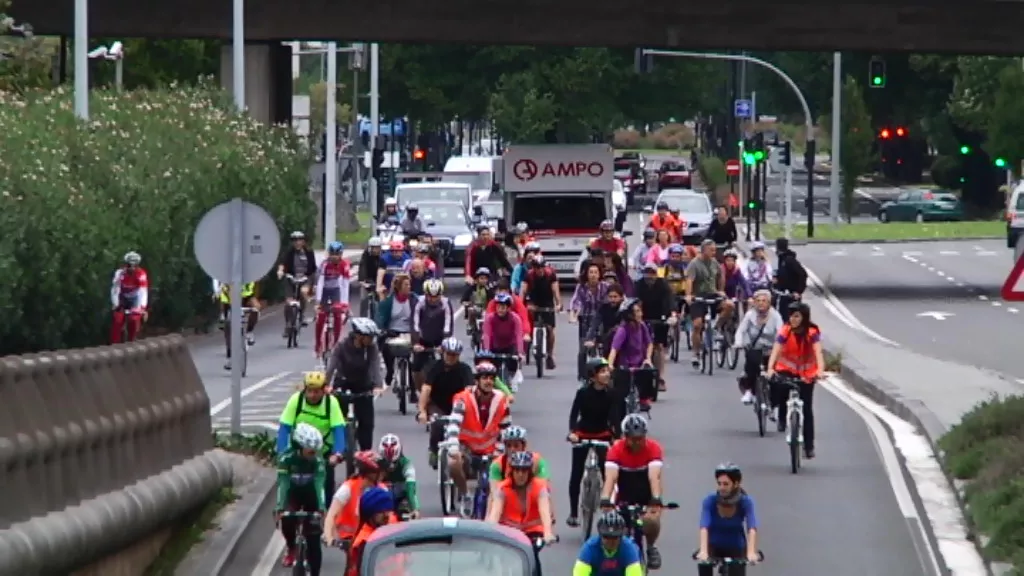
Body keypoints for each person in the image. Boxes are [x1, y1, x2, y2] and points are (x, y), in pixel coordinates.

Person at [601, 414, 664, 570]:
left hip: (645, 496)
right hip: (623, 496)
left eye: (640, 438)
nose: (637, 443)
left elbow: (654, 477)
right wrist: (605, 499)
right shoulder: (615, 450)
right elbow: (610, 478)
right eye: (633, 439)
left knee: (651, 521)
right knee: (613, 527)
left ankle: (651, 546)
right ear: (625, 437)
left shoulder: (654, 448)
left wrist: (656, 499)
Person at [446, 361, 512, 511]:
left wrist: (499, 451)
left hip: (491, 449)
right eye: (484, 378)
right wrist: (454, 447)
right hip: (467, 448)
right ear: (477, 380)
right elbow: (454, 424)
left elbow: (506, 429)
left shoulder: (501, 400)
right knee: (453, 463)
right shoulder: (463, 398)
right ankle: (465, 495)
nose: (488, 381)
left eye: (491, 378)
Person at [277, 370, 347, 506]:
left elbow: (339, 430)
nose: (312, 395)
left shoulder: (331, 403)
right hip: (299, 451)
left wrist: (337, 454)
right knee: (287, 482)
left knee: (327, 485)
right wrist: (281, 452)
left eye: (316, 391)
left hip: (323, 453)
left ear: (324, 390)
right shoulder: (296, 400)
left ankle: (326, 512)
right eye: (309, 391)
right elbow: (284, 428)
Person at [766, 302, 824, 458]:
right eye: (791, 316)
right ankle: (781, 415)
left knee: (807, 409)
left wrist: (820, 371)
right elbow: (776, 349)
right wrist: (770, 368)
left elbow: (818, 352)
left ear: (804, 317)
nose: (793, 319)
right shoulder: (785, 330)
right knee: (778, 386)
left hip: (807, 373)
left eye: (797, 316)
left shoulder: (812, 332)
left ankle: (809, 446)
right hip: (787, 369)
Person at [566, 358, 618, 527]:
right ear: (593, 376)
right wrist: (572, 433)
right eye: (602, 372)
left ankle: (610, 509)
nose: (607, 374)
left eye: (607, 371)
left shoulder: (611, 394)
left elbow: (614, 418)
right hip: (582, 434)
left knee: (607, 472)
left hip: (603, 435)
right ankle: (574, 513)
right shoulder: (582, 393)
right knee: (576, 473)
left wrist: (616, 437)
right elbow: (574, 415)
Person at [325, 317, 386, 451]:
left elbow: (375, 366)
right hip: (343, 382)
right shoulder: (341, 346)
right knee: (337, 418)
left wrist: (378, 386)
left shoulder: (371, 348)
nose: (371, 340)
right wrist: (326, 385)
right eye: (369, 337)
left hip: (363, 384)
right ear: (358, 336)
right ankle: (337, 448)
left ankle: (366, 452)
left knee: (367, 423)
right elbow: (331, 366)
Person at [275, 422, 328, 572]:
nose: (314, 455)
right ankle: (291, 547)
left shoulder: (318, 461)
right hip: (293, 495)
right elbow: (283, 484)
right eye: (311, 452)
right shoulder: (286, 459)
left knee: (314, 539)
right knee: (287, 521)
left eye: (316, 451)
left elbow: (319, 485)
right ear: (299, 447)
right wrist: (279, 507)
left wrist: (322, 507)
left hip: (311, 496)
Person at [417, 337, 475, 469]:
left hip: (458, 406)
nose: (451, 357)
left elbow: (470, 390)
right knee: (437, 426)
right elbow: (426, 389)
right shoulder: (434, 367)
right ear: (443, 353)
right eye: (448, 354)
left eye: (454, 355)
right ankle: (433, 450)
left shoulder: (465, 369)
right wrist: (422, 411)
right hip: (438, 404)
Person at [695, 463, 761, 573]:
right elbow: (704, 526)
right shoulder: (710, 500)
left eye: (726, 484)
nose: (721, 488)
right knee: (704, 565)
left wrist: (750, 552)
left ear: (736, 484)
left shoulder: (746, 501)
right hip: (713, 546)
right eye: (719, 483)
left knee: (738, 570)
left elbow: (752, 527)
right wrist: (703, 551)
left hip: (736, 546)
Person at [485, 451, 557, 545]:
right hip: (509, 533)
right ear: (512, 471)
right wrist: (489, 532)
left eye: (524, 471)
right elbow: (495, 514)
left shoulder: (539, 487)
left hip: (533, 533)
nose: (520, 474)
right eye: (517, 470)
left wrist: (547, 533)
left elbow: (545, 512)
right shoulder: (502, 489)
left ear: (529, 472)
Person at [324, 450, 390, 545]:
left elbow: (391, 516)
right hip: (350, 540)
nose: (384, 474)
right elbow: (331, 515)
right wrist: (329, 538)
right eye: (381, 471)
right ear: (370, 473)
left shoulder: (383, 489)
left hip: (374, 539)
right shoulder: (348, 488)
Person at [733, 289, 784, 406]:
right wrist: (738, 343)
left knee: (775, 374)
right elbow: (741, 330)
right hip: (755, 347)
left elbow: (781, 333)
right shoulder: (750, 315)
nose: (761, 303)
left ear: (769, 303)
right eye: (758, 301)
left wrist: (779, 348)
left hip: (771, 348)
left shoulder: (775, 316)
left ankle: (774, 399)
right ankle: (749, 391)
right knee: (752, 365)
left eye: (764, 301)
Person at [606, 298, 656, 411]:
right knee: (621, 395)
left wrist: (648, 359)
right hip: (625, 366)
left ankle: (643, 399)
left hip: (640, 363)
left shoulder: (642, 326)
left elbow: (649, 344)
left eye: (640, 311)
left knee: (648, 374)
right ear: (629, 315)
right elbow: (614, 349)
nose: (640, 314)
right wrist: (610, 365)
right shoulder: (623, 330)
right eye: (637, 311)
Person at [634, 262, 675, 394]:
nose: (649, 276)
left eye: (652, 273)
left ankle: (661, 377)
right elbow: (635, 301)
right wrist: (636, 317)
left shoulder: (663, 285)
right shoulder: (638, 285)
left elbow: (669, 300)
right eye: (647, 273)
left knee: (659, 347)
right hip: (642, 318)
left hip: (660, 317)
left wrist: (671, 314)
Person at [685, 239, 725, 368]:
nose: (714, 252)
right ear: (703, 250)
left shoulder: (715, 263)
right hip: (698, 296)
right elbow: (689, 280)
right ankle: (696, 353)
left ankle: (717, 327)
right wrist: (689, 295)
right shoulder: (694, 263)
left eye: (715, 250)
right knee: (697, 325)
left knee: (730, 305)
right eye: (711, 250)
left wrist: (720, 290)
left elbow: (720, 275)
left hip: (712, 293)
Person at [343, 486, 399, 576]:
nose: (386, 515)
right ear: (370, 514)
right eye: (381, 511)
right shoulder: (364, 543)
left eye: (388, 510)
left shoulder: (394, 525)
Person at [411, 278, 454, 393]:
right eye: (430, 297)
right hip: (423, 338)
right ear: (425, 294)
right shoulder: (419, 302)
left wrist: (444, 344)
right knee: (416, 366)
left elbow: (448, 325)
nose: (433, 300)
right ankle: (420, 391)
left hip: (440, 338)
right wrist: (416, 343)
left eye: (436, 297)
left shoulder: (446, 303)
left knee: (449, 363)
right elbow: (415, 324)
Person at [521, 255, 563, 371]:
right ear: (533, 268)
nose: (539, 270)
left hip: (547, 303)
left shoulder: (550, 275)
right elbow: (522, 292)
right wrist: (522, 305)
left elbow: (556, 291)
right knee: (529, 324)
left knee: (550, 329)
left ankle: (550, 355)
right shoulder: (528, 275)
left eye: (541, 267)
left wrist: (559, 304)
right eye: (536, 267)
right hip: (533, 302)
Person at [573, 510, 644, 576]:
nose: (610, 541)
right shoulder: (590, 547)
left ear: (621, 536)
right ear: (600, 535)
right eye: (606, 537)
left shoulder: (629, 548)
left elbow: (635, 573)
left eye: (615, 537)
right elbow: (579, 573)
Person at [570, 263, 610, 381]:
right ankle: (582, 375)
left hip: (602, 320)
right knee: (583, 349)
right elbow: (575, 302)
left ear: (599, 274)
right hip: (585, 319)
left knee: (604, 346)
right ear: (587, 275)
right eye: (591, 272)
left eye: (595, 272)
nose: (593, 275)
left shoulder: (606, 286)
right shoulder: (581, 287)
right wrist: (573, 315)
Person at [375, 274, 415, 389]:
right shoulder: (388, 302)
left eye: (409, 284)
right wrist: (383, 330)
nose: (409, 287)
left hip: (410, 332)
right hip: (392, 332)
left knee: (414, 356)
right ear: (399, 287)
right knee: (386, 348)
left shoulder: (414, 300)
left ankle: (412, 387)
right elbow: (380, 318)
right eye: (406, 285)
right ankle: (390, 370)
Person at [489, 426, 552, 498]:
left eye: (516, 446)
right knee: (491, 497)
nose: (512, 450)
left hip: (531, 497)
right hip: (507, 498)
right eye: (509, 446)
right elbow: (494, 490)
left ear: (524, 446)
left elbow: (545, 486)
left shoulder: (537, 461)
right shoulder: (497, 464)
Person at [314, 241, 352, 357]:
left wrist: (344, 303)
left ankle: (335, 343)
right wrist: (318, 301)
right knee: (321, 317)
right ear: (329, 254)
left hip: (336, 290)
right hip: (324, 291)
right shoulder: (324, 264)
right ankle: (318, 345)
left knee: (338, 315)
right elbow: (320, 283)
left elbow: (345, 285)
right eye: (332, 254)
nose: (335, 257)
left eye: (337, 254)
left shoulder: (344, 264)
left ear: (341, 254)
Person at [212, 278, 259, 370]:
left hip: (245, 295)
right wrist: (217, 291)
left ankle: (249, 331)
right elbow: (216, 279)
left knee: (256, 309)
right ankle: (230, 357)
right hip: (228, 300)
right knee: (228, 325)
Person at [277, 231, 317, 330]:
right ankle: (287, 324)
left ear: (303, 241)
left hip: (305, 278)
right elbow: (282, 263)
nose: (297, 242)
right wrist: (280, 271)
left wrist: (314, 284)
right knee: (288, 302)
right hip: (291, 278)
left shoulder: (309, 252)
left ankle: (302, 315)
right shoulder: (289, 252)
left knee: (303, 292)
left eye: (299, 240)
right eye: (295, 240)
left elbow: (313, 268)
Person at [482, 291, 526, 381]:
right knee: (490, 369)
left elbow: (518, 336)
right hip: (495, 346)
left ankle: (511, 381)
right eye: (498, 307)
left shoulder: (515, 318)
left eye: (503, 307)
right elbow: (487, 335)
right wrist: (487, 351)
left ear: (508, 308)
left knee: (513, 365)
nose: (500, 310)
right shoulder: (490, 318)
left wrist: (520, 352)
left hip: (510, 346)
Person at [110, 251, 150, 344]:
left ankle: (132, 341)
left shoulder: (141, 274)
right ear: (125, 265)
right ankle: (114, 344)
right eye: (129, 265)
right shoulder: (119, 273)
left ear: (137, 266)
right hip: (122, 297)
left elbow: (143, 292)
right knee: (117, 319)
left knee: (133, 319)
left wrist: (142, 308)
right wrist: (116, 304)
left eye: (134, 266)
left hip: (135, 298)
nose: (132, 268)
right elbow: (115, 289)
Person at [378, 434, 420, 519]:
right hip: (382, 496)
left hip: (401, 496)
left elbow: (410, 487)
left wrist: (414, 509)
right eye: (387, 464)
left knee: (408, 501)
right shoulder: (376, 464)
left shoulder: (407, 464)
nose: (390, 467)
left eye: (393, 463)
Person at [587, 284, 625, 356]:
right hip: (607, 339)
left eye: (615, 297)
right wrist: (590, 338)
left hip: (623, 341)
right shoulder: (603, 308)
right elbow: (594, 324)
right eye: (610, 297)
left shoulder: (625, 309)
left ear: (621, 297)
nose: (612, 299)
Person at [717, 249, 750, 332]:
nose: (730, 262)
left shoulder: (736, 270)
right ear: (724, 261)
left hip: (733, 296)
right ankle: (718, 326)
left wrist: (749, 295)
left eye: (732, 260)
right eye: (728, 260)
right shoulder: (720, 270)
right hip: (721, 295)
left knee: (737, 312)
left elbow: (744, 283)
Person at [773, 238, 807, 314]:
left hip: (792, 296)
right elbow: (784, 274)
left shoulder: (789, 260)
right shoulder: (781, 259)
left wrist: (798, 292)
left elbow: (803, 274)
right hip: (783, 295)